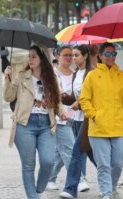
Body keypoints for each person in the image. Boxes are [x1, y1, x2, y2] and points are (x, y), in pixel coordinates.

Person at [3, 45, 68, 199]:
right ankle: (33, 197)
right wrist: (8, 78)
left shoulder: (51, 77)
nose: (30, 59)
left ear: (42, 59)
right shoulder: (21, 75)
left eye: (33, 56)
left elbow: (57, 100)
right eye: (29, 56)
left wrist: (62, 113)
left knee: (48, 161)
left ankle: (38, 189)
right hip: (25, 124)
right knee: (28, 165)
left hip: (46, 124)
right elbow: (8, 97)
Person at [79, 42, 123, 199]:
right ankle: (106, 193)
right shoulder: (92, 76)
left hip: (118, 127)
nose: (111, 57)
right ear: (100, 56)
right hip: (98, 128)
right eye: (107, 54)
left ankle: (112, 188)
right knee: (103, 164)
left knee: (118, 162)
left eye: (114, 54)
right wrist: (94, 115)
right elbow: (84, 100)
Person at [59, 44, 96, 199]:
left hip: (88, 118)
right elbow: (75, 98)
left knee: (76, 151)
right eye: (72, 55)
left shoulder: (92, 73)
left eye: (76, 55)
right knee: (90, 151)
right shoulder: (76, 74)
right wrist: (64, 97)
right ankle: (112, 175)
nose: (73, 58)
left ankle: (70, 188)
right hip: (77, 118)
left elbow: (93, 96)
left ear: (86, 56)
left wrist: (80, 104)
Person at [46, 46, 78, 191]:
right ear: (57, 56)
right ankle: (78, 179)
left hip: (76, 116)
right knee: (70, 150)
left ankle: (49, 178)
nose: (69, 58)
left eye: (71, 55)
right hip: (60, 117)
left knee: (61, 150)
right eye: (65, 55)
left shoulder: (76, 74)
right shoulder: (52, 74)